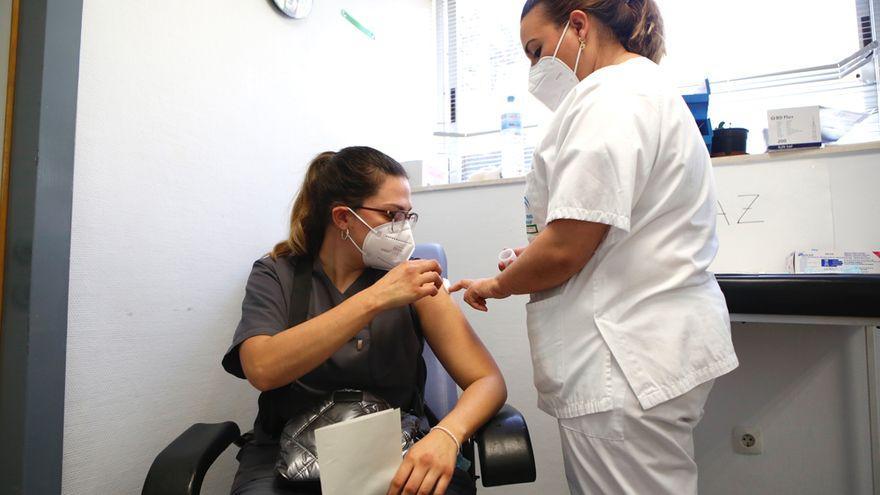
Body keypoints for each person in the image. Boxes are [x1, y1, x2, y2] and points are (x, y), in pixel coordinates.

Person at [450, 1, 738, 493]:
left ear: (579, 25)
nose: (536, 70)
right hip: (646, 351)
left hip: (621, 363)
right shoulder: (644, 91)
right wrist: (536, 256)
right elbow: (602, 235)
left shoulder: (609, 95)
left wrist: (498, 284)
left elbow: (566, 248)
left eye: (537, 51)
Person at [223, 147, 507, 495]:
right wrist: (374, 299)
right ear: (343, 218)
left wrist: (446, 436)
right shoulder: (277, 274)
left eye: (407, 216)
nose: (402, 229)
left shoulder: (416, 279)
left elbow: (487, 381)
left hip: (397, 452)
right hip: (286, 454)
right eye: (392, 215)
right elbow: (262, 369)